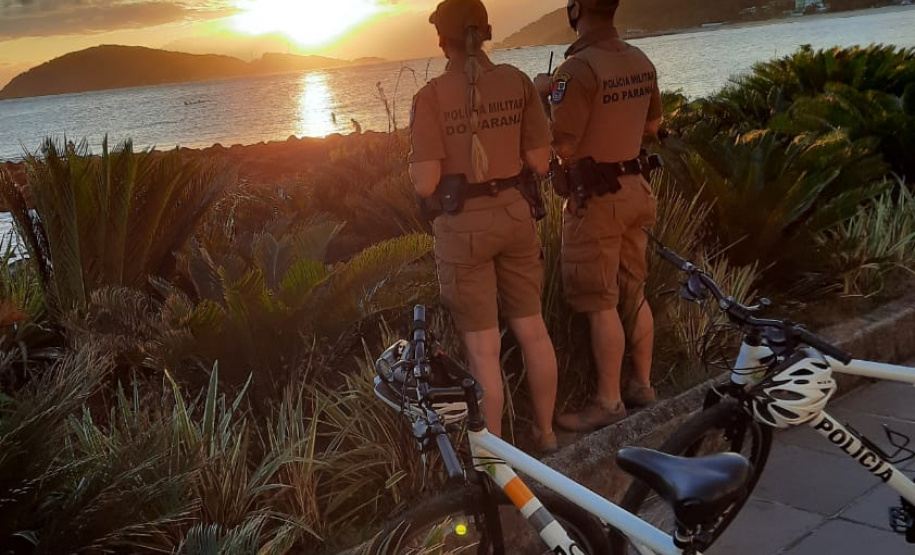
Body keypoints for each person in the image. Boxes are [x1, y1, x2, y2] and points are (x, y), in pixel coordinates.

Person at [409, 0, 560, 451]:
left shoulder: (430, 96)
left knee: (483, 350)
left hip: (463, 229)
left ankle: (497, 462)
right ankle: (547, 434)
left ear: (442, 40)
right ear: (487, 32)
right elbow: (539, 162)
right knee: (533, 331)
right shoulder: (518, 82)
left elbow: (425, 182)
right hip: (515, 215)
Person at [535, 0, 662, 432]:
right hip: (636, 188)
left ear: (576, 10)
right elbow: (652, 126)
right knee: (635, 291)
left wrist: (543, 98)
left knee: (600, 301)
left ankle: (608, 402)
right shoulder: (640, 59)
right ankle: (642, 384)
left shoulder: (576, 70)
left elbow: (563, 145)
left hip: (598, 200)